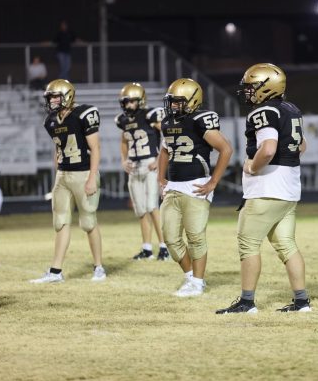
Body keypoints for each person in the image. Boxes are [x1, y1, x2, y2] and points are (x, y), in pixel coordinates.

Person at [216, 63, 310, 314]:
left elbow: (268, 149)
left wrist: (252, 167)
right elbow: (301, 146)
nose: (247, 92)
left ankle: (247, 302)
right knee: (287, 245)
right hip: (289, 188)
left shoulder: (264, 111)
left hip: (267, 188)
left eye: (251, 87)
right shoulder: (291, 109)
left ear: (267, 87)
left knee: (248, 244)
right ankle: (302, 302)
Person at [158, 78, 232, 297]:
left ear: (192, 101)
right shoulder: (168, 123)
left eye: (177, 101)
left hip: (196, 185)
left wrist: (213, 181)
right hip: (173, 186)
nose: (172, 106)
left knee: (196, 237)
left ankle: (197, 283)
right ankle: (190, 277)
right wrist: (160, 178)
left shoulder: (201, 120)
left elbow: (226, 149)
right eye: (170, 101)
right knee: (170, 238)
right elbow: (164, 150)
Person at [31, 79, 106, 283]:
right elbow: (58, 148)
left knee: (89, 222)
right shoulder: (50, 121)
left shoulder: (84, 114)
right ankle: (56, 272)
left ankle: (99, 267)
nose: (52, 101)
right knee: (61, 222)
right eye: (50, 97)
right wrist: (59, 173)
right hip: (63, 175)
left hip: (83, 174)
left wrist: (92, 177)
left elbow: (96, 149)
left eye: (56, 96)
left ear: (67, 95)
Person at [115, 82, 169, 261]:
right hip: (134, 167)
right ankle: (147, 248)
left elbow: (168, 134)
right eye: (126, 101)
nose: (128, 105)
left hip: (149, 164)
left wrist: (159, 159)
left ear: (140, 100)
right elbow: (124, 141)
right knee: (140, 210)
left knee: (152, 206)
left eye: (131, 101)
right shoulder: (122, 120)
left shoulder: (149, 114)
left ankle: (164, 247)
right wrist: (124, 160)